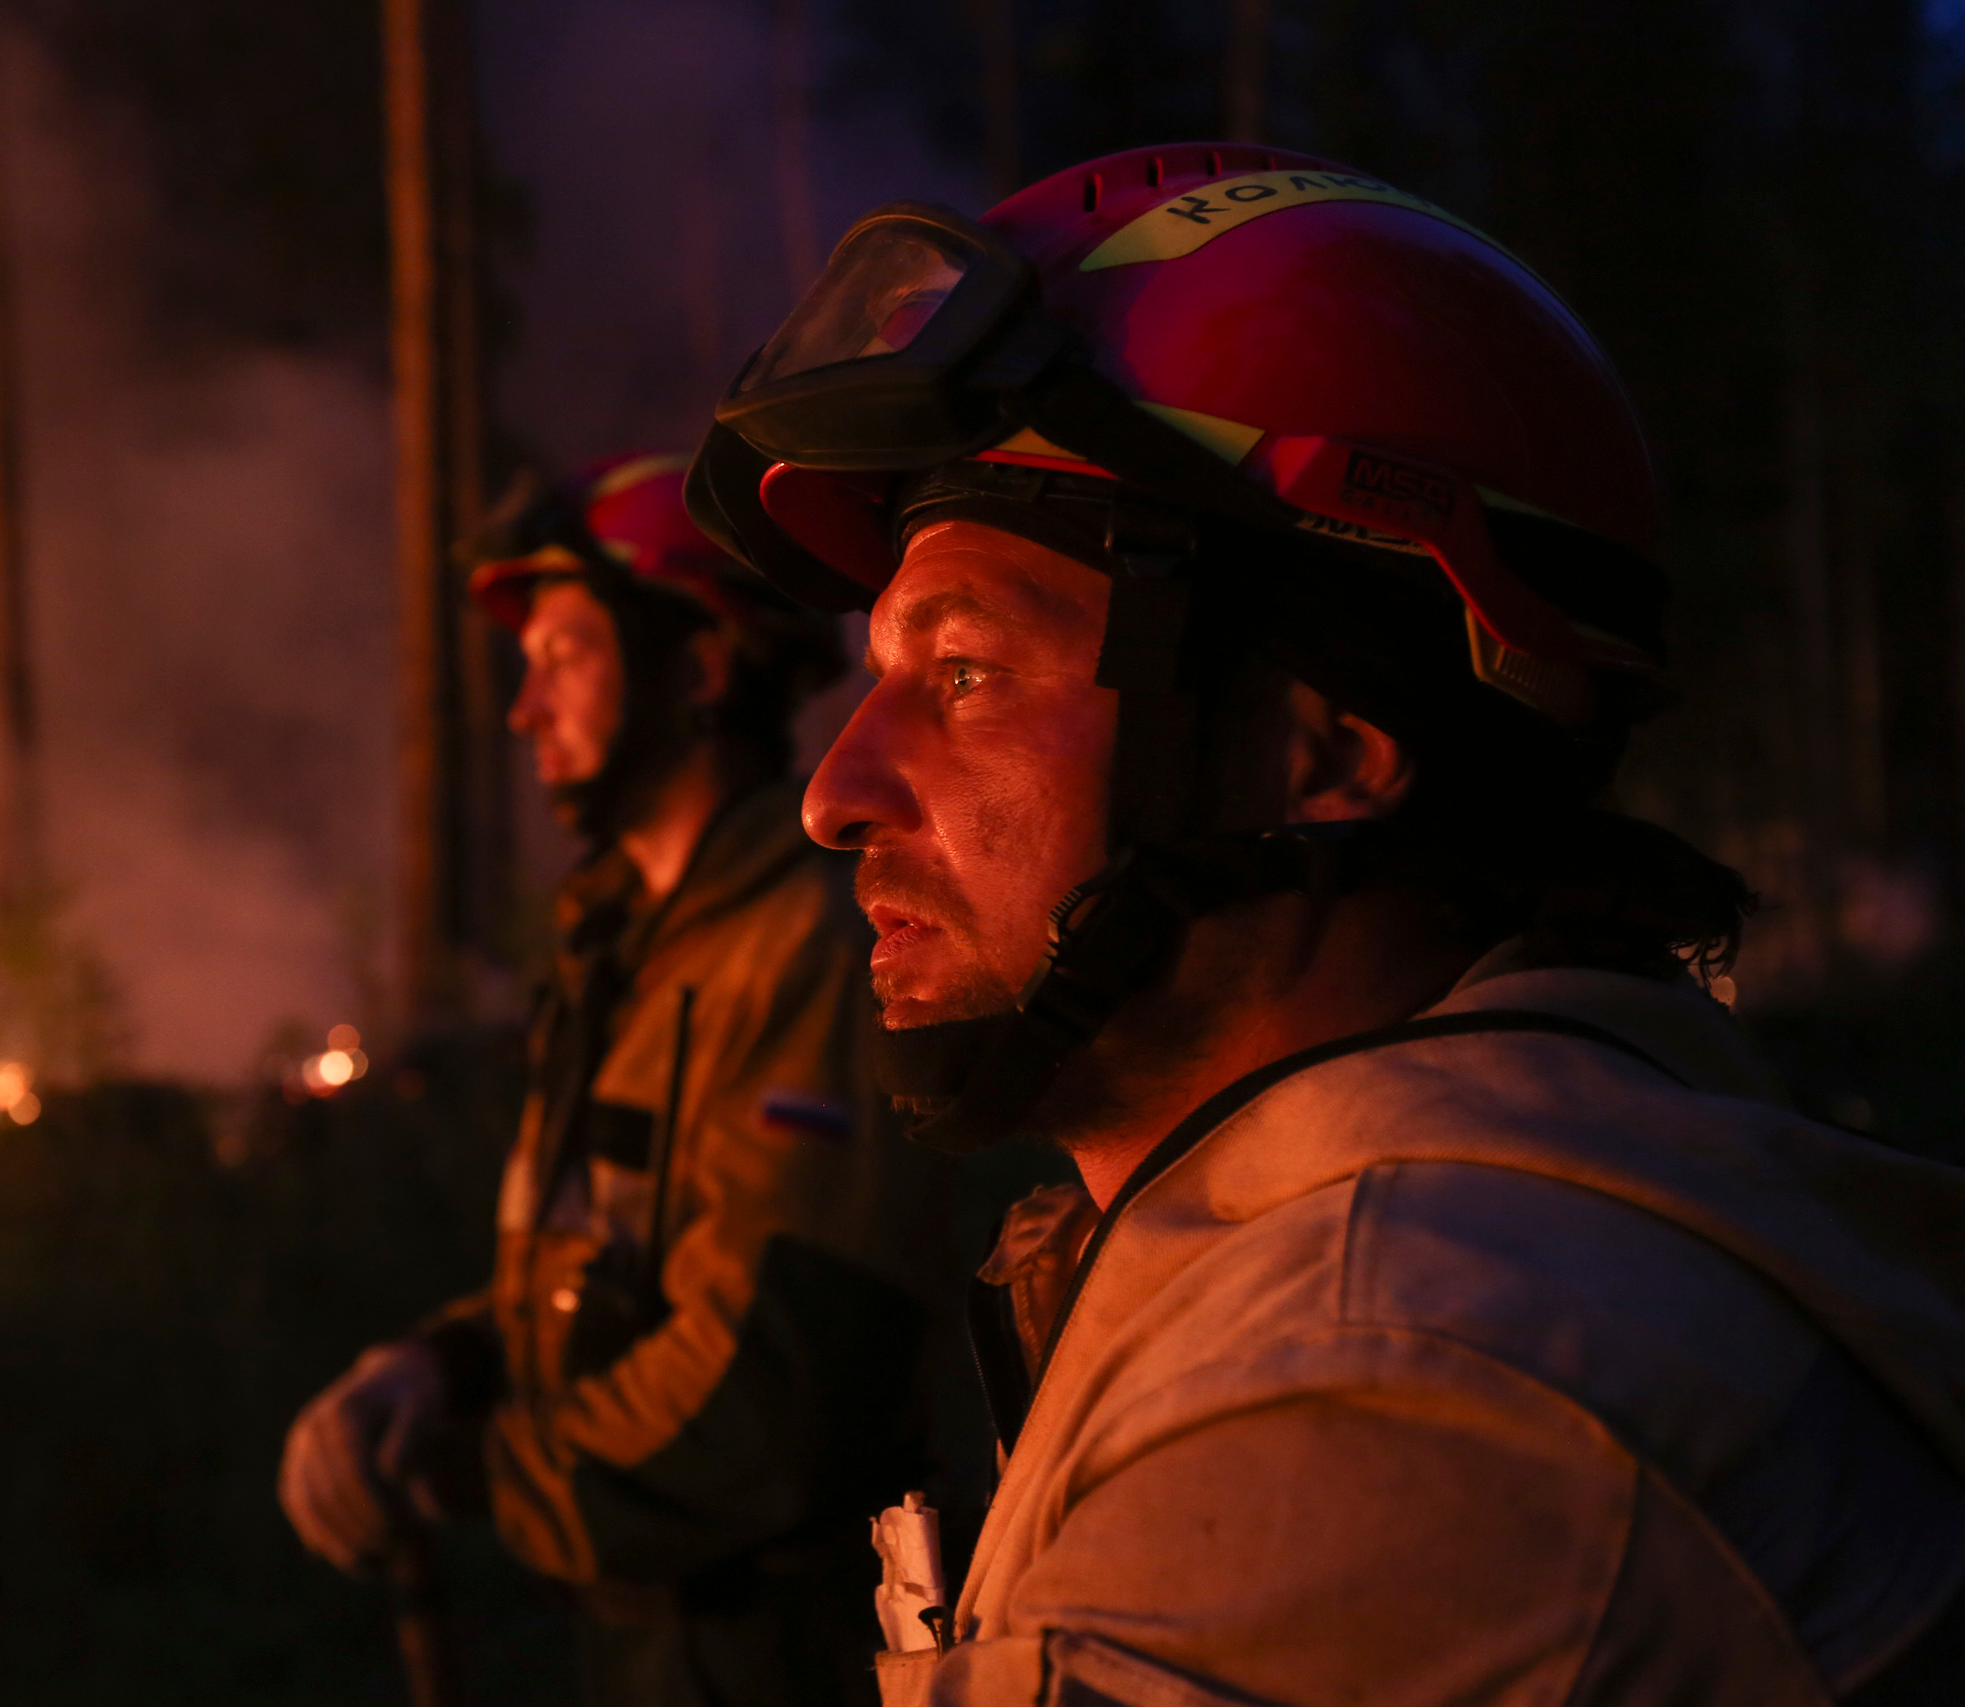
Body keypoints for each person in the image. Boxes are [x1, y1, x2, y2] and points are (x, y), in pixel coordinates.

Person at [686, 143, 1965, 1703]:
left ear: (1327, 744)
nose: (835, 790)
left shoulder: (1387, 1384)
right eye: (880, 675)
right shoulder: (1379, 1242)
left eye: (963, 672)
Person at [280, 452, 945, 1707]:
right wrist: (442, 1370)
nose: (526, 710)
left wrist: (477, 1468)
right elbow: (608, 1274)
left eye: (565, 657)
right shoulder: (628, 950)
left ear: (695, 669)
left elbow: (775, 1386)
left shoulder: (803, 950)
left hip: (778, 1654)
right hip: (648, 1637)